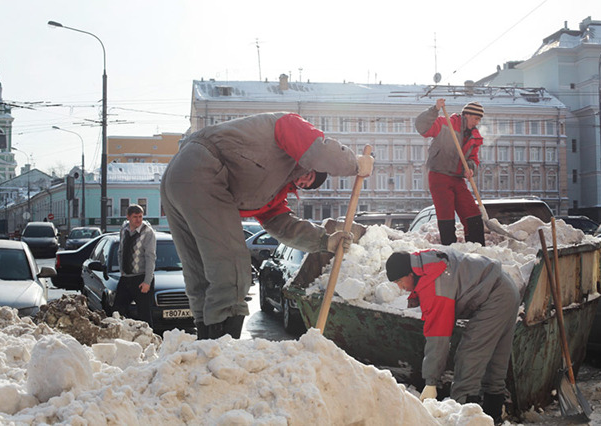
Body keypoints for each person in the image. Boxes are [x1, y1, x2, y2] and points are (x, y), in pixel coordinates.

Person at [160, 112, 374, 341]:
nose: (302, 181)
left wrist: (324, 241)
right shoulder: (289, 125)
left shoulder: (271, 190)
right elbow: (320, 150)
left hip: (177, 180)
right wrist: (355, 163)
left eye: (306, 186)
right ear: (309, 165)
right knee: (232, 269)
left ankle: (206, 349)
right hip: (204, 167)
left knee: (201, 274)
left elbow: (282, 225)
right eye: (309, 176)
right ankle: (222, 351)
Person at [385, 248, 519, 424]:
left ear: (411, 274)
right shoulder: (426, 262)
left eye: (400, 281)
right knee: (496, 360)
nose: (400, 287)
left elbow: (438, 337)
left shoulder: (435, 285)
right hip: (506, 288)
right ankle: (493, 415)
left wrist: (431, 382)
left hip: (494, 296)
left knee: (469, 357)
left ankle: (463, 417)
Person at [415, 99, 486, 246]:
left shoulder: (474, 136)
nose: (477, 122)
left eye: (479, 119)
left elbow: (474, 158)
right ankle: (450, 249)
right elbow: (422, 127)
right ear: (466, 115)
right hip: (439, 175)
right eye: (475, 118)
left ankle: (477, 248)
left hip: (457, 178)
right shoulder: (445, 123)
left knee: (472, 212)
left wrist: (471, 168)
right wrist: (434, 110)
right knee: (445, 213)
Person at [112, 204, 157, 327]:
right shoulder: (124, 230)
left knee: (144, 316)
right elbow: (120, 251)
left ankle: (149, 342)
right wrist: (122, 271)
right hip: (126, 277)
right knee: (117, 312)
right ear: (128, 217)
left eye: (140, 216)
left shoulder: (148, 232)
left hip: (141, 278)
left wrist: (147, 281)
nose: (138, 220)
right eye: (135, 217)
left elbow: (150, 257)